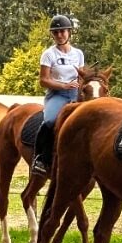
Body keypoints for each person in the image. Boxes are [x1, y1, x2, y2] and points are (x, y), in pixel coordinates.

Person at [31, 14, 85, 176]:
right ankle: (41, 158)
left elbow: (81, 77)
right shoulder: (49, 54)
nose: (59, 35)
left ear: (69, 32)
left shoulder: (79, 54)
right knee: (49, 121)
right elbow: (43, 80)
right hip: (57, 94)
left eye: (62, 31)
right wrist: (64, 85)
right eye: (56, 32)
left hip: (76, 94)